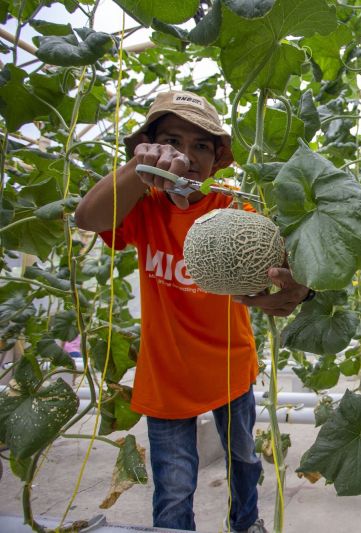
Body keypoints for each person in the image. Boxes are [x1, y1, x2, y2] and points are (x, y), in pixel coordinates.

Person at [74, 90, 311, 532]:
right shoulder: (142, 209)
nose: (185, 155)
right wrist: (135, 169)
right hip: (165, 376)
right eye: (170, 142)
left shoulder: (234, 208)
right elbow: (86, 218)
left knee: (244, 462)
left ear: (217, 158)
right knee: (174, 486)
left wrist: (293, 290)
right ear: (148, 146)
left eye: (200, 145)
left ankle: (246, 523)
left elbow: (282, 271)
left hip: (230, 369)